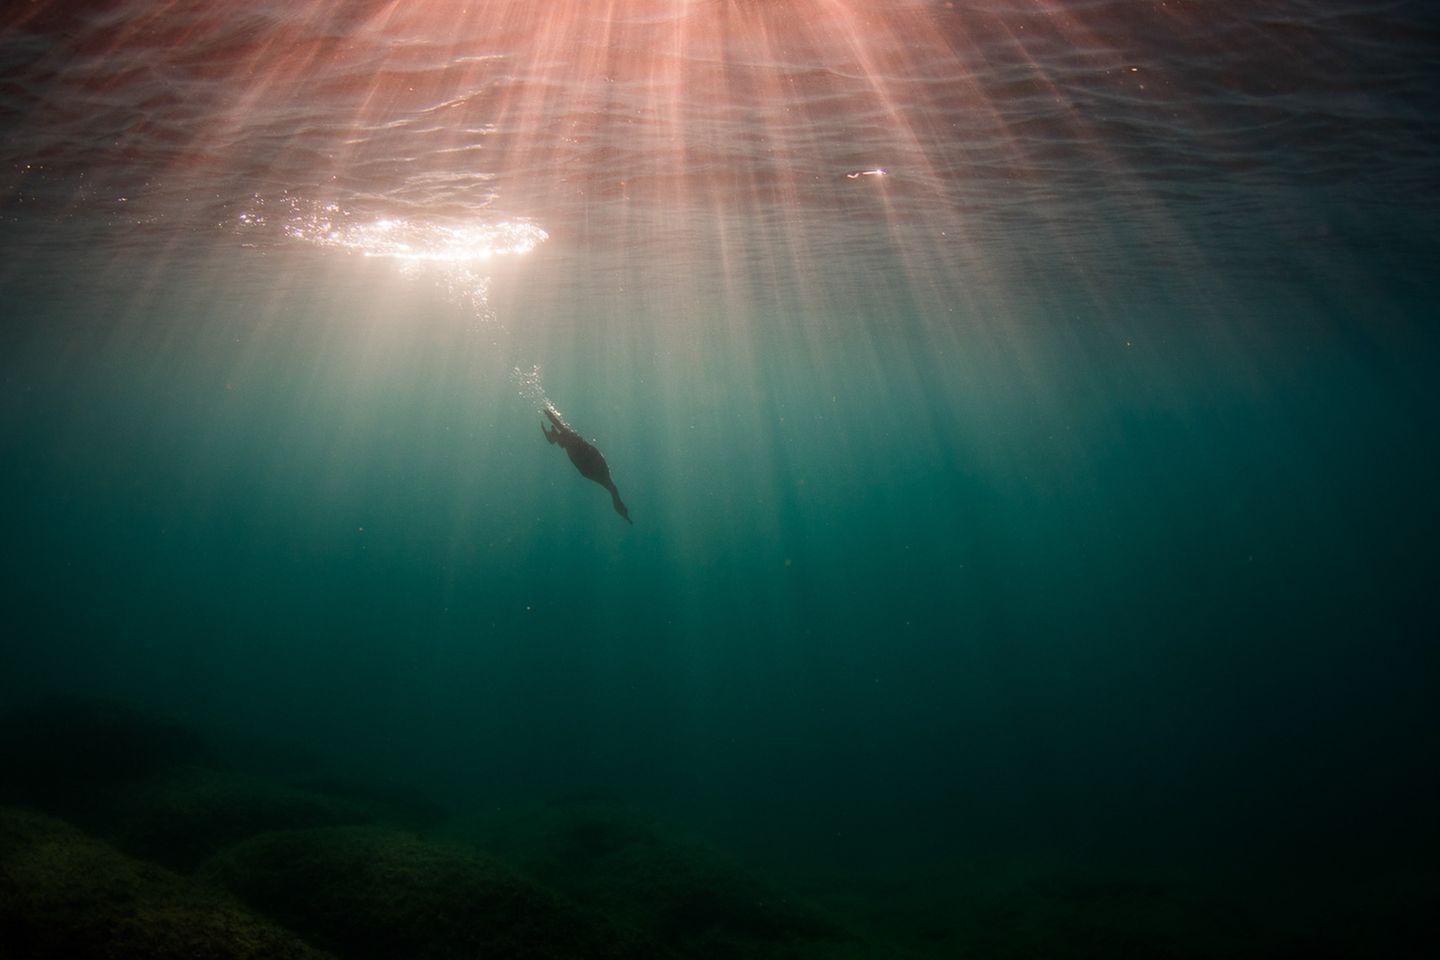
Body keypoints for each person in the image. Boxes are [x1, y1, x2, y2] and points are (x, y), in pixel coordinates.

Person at [541, 405, 632, 524]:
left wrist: (549, 415)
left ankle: (554, 436)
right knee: (612, 489)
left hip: (590, 465)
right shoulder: (570, 438)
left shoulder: (570, 438)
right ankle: (554, 437)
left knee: (612, 489)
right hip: (590, 465)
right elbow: (558, 425)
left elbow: (559, 425)